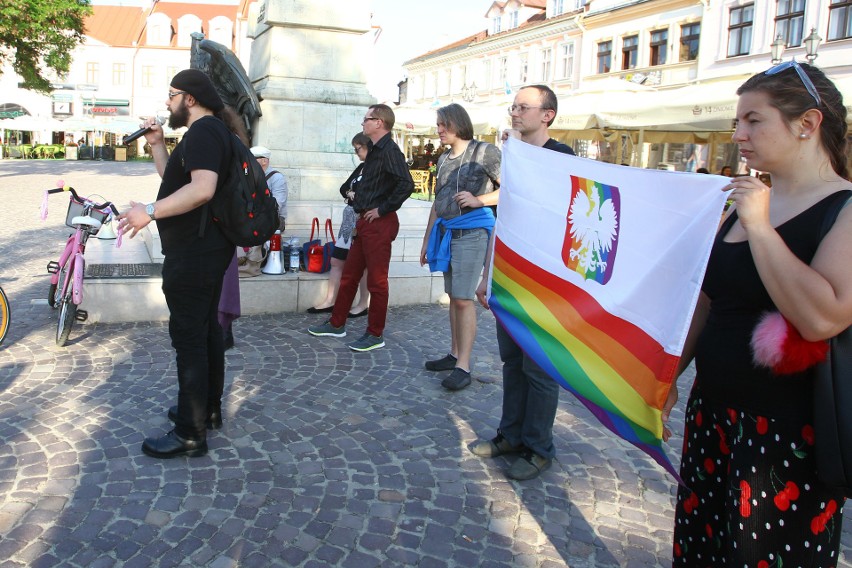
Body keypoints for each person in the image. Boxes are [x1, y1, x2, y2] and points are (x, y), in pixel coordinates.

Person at [662, 62, 851, 566]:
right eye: (735, 123)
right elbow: (705, 302)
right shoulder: (742, 205)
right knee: (703, 550)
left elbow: (824, 318)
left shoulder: (843, 209)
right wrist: (666, 379)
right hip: (712, 416)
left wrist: (762, 228)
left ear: (807, 124)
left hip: (788, 436)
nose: (738, 135)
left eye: (753, 121)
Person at [118, 69, 248, 458]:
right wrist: (158, 145)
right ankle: (205, 410)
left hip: (195, 253)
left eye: (171, 94)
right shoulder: (207, 133)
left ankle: (190, 433)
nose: (167, 102)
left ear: (189, 98)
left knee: (189, 337)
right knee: (206, 331)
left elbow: (202, 189)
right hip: (205, 251)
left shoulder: (205, 132)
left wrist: (150, 212)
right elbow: (179, 184)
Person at [469, 85, 575, 480]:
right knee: (512, 363)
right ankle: (510, 434)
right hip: (509, 276)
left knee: (540, 368)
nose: (514, 112)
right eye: (513, 106)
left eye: (523, 107)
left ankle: (538, 446)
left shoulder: (561, 158)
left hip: (544, 281)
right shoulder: (514, 158)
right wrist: (488, 274)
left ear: (547, 115)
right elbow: (507, 218)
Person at [308, 104, 414, 351]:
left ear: (379, 122)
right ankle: (337, 324)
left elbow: (406, 184)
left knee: (377, 282)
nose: (363, 123)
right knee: (349, 276)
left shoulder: (390, 150)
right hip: (363, 223)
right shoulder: (376, 151)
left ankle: (375, 334)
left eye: (367, 119)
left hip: (378, 223)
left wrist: (383, 209)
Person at [420, 103, 500, 391]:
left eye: (443, 124)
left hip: (472, 233)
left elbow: (514, 188)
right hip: (446, 234)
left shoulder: (485, 152)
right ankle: (454, 353)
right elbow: (437, 203)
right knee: (454, 297)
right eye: (438, 125)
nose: (439, 130)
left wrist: (481, 200)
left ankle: (463, 366)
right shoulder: (443, 159)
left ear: (457, 123)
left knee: (464, 299)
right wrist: (427, 240)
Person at [308, 133, 370, 317]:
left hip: (362, 220)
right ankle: (330, 300)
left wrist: (354, 193)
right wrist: (351, 193)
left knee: (363, 265)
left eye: (358, 148)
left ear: (367, 147)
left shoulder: (375, 169)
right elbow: (344, 188)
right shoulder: (360, 167)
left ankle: (362, 304)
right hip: (349, 220)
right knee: (336, 260)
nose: (356, 152)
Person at [250, 146, 288, 231]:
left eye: (253, 158)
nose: (249, 161)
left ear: (265, 161)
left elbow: (277, 205)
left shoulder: (277, 178)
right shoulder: (252, 176)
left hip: (271, 221)